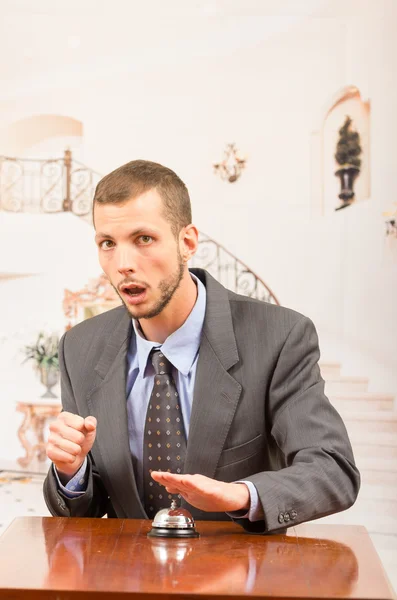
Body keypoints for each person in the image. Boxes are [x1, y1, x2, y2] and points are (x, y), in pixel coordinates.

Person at [43, 160, 360, 534]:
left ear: (187, 242)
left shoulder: (279, 336)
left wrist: (242, 495)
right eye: (108, 244)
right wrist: (71, 471)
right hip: (125, 579)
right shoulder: (79, 347)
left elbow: (332, 469)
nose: (123, 264)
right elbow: (87, 511)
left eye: (144, 239)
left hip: (241, 580)